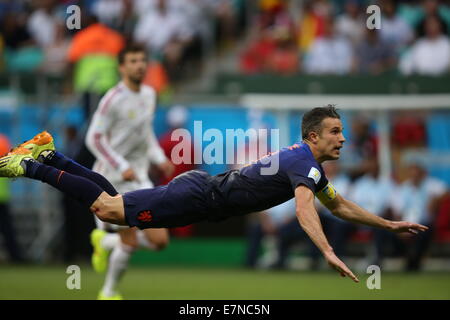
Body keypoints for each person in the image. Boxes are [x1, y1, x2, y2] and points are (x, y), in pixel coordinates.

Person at [0, 105, 428, 282]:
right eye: (335, 132)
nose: (343, 138)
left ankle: (48, 153)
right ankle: (31, 166)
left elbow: (338, 204)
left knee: (116, 206)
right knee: (110, 211)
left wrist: (388, 223)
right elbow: (305, 210)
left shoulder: (308, 164)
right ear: (313, 136)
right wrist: (329, 251)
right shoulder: (305, 164)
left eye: (343, 131)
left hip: (201, 193)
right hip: (200, 197)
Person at [85, 44, 174, 300]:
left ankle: (104, 242)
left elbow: (145, 133)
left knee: (160, 242)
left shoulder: (148, 94)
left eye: (142, 60)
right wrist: (121, 166)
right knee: (131, 240)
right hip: (111, 179)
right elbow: (94, 138)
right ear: (122, 67)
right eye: (133, 61)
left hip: (139, 177)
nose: (139, 65)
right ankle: (108, 292)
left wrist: (159, 158)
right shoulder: (112, 99)